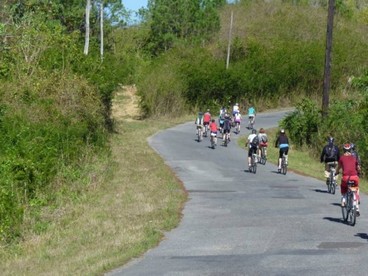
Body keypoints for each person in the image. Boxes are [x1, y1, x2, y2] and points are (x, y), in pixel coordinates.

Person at [336, 143, 361, 216]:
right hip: (354, 177)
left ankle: (343, 199)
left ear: (343, 150)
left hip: (346, 178)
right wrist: (359, 172)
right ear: (350, 150)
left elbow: (338, 167)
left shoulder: (341, 158)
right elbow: (358, 167)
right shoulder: (354, 158)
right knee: (356, 189)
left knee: (343, 187)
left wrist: (336, 172)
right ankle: (356, 207)